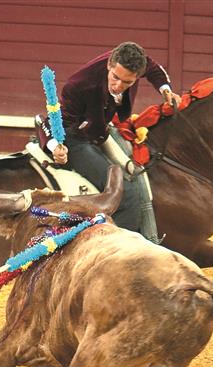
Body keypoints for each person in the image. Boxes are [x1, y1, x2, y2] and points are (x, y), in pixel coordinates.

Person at [42, 41, 181, 234]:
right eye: (115, 78)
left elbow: (153, 68)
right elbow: (55, 121)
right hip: (77, 138)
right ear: (109, 65)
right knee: (125, 193)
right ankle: (122, 252)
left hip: (102, 129)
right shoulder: (80, 84)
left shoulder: (134, 63)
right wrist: (55, 146)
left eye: (128, 82)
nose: (118, 86)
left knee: (141, 171)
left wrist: (165, 89)